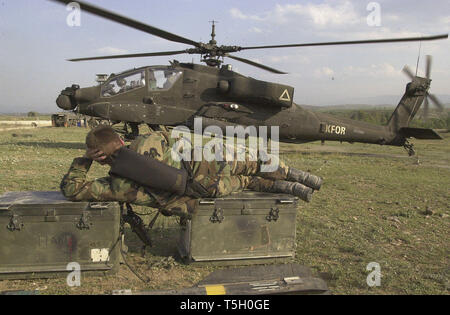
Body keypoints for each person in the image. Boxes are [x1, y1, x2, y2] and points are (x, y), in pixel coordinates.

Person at [60, 125, 322, 219]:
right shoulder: (149, 139)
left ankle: (289, 188)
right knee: (252, 163)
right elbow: (176, 139)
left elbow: (71, 191)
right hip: (204, 164)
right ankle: (294, 175)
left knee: (244, 181)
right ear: (118, 140)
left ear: (101, 156)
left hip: (192, 198)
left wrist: (84, 161)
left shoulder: (116, 185)